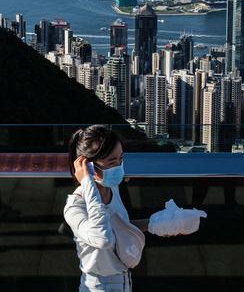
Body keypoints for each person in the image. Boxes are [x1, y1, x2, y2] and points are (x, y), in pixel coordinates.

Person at [64, 125, 206, 292]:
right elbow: (103, 238)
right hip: (97, 287)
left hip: (124, 281)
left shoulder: (112, 188)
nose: (119, 167)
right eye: (112, 162)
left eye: (121, 159)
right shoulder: (75, 207)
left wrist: (159, 223)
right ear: (88, 167)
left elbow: (119, 226)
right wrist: (88, 183)